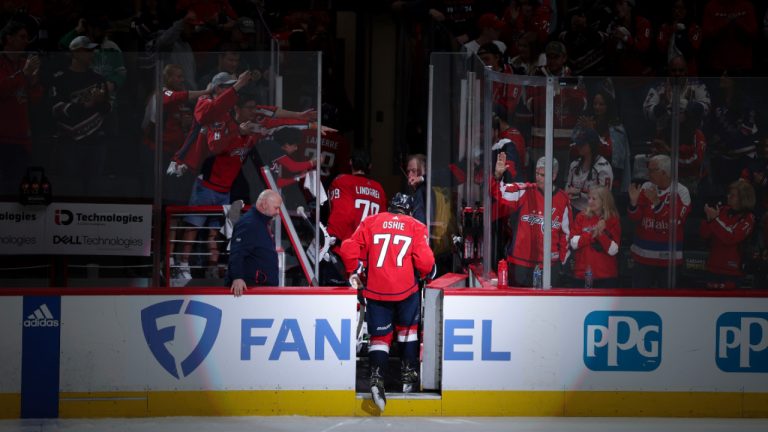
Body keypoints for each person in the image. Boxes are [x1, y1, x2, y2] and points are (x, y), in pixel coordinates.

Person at [339, 193, 436, 412]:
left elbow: (347, 248)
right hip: (406, 290)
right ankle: (408, 375)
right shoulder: (416, 225)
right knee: (408, 332)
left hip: (376, 290)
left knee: (380, 338)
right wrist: (424, 273)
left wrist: (353, 270)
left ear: (390, 207)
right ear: (408, 211)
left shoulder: (371, 221)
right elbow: (426, 261)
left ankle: (376, 377)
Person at [493, 155, 571, 287]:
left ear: (554, 176)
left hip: (549, 265)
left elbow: (566, 234)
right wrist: (497, 176)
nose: (538, 178)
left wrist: (562, 262)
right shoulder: (525, 190)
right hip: (521, 264)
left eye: (543, 175)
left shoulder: (563, 199)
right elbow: (500, 193)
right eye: (537, 173)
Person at [627, 154, 691, 288]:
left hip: (668, 261)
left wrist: (657, 203)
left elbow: (675, 222)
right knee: (639, 301)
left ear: (664, 172)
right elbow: (635, 218)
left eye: (651, 170)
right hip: (642, 257)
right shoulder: (646, 186)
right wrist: (633, 204)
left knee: (668, 304)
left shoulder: (681, 192)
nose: (648, 174)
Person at [0, 20, 42, 195]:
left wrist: (32, 82)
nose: (26, 41)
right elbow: (1, 90)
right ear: (9, 38)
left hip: (21, 140)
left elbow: (36, 99)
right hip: (1, 139)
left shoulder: (26, 63)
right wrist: (22, 76)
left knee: (17, 191)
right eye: (22, 37)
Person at [700, 180, 755, 289]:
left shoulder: (748, 218)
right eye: (729, 193)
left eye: (733, 195)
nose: (728, 196)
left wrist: (714, 220)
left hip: (732, 272)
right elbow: (704, 234)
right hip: (712, 268)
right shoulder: (722, 210)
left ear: (743, 198)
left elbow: (731, 237)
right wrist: (709, 219)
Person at [228, 189, 283, 295]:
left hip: (261, 289)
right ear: (264, 204)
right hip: (250, 290)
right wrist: (237, 277)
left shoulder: (260, 222)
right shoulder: (249, 223)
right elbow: (237, 253)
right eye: (276, 208)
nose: (278, 212)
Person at [569, 186, 621, 288]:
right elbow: (573, 243)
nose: (590, 201)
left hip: (606, 276)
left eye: (594, 199)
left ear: (604, 201)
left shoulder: (612, 219)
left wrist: (600, 235)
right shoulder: (581, 216)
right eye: (589, 198)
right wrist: (593, 234)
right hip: (582, 274)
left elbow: (613, 250)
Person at [565, 128, 613, 214]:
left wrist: (579, 193)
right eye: (578, 143)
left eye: (582, 144)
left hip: (593, 213)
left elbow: (605, 197)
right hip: (572, 210)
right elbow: (567, 188)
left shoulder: (603, 168)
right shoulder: (574, 165)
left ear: (592, 145)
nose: (579, 146)